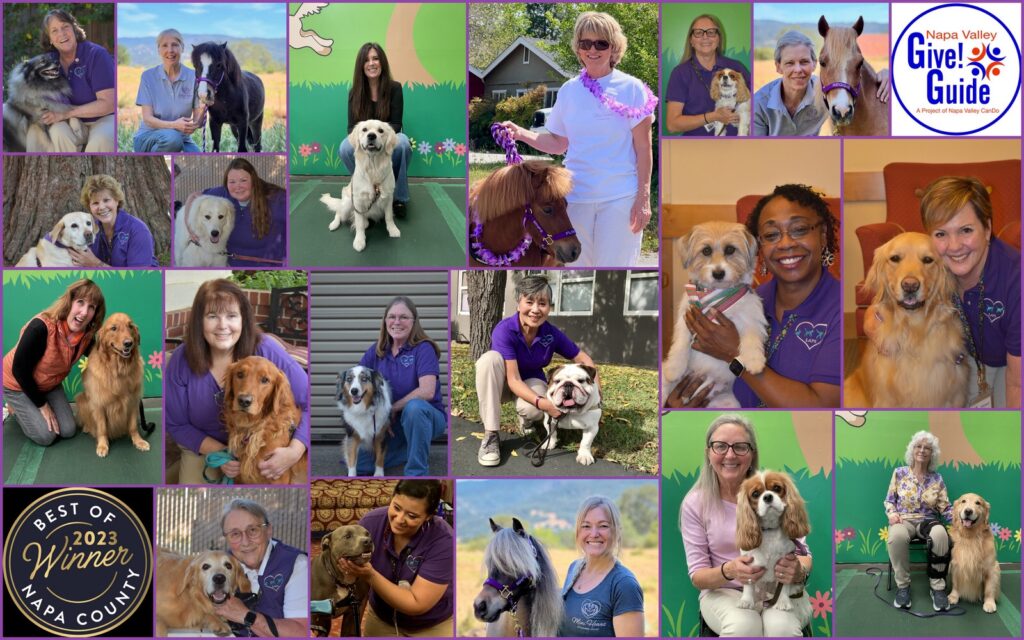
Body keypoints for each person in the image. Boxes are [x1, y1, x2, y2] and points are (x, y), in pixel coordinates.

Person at [500, 12, 655, 267]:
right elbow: (559, 143)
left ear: (613, 47)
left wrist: (643, 199)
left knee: (613, 271)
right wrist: (520, 133)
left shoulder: (632, 88)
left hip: (620, 199)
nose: (592, 50)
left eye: (601, 43)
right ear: (578, 48)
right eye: (585, 43)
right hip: (576, 199)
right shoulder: (570, 90)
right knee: (578, 271)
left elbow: (643, 148)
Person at [678, 185, 841, 408]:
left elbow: (823, 407)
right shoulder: (742, 299)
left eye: (800, 229)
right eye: (772, 235)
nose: (786, 243)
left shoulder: (837, 310)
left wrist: (735, 354)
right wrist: (676, 404)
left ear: (822, 236)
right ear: (759, 248)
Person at [866, 176, 1021, 407]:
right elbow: (880, 306)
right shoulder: (933, 267)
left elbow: (1018, 383)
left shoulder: (1015, 280)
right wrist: (872, 323)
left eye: (966, 230)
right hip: (964, 358)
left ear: (987, 229)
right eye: (941, 234)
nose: (955, 246)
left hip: (1009, 364)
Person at [165, 279, 309, 484]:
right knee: (189, 489)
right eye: (212, 316)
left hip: (263, 441)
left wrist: (294, 451)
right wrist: (222, 453)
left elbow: (311, 400)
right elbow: (176, 424)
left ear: (243, 319)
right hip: (204, 445)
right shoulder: (181, 360)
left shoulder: (266, 349)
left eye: (231, 316)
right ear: (199, 321)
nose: (223, 326)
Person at [680, 414, 812, 636]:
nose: (730, 454)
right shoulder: (695, 503)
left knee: (781, 628)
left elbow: (804, 554)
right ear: (708, 452)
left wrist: (798, 572)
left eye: (740, 447)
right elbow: (698, 575)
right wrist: (730, 571)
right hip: (724, 592)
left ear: (752, 454)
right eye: (720, 446)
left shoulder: (776, 492)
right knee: (743, 626)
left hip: (780, 590)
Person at [475, 275, 597, 467]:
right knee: (488, 360)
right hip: (504, 383)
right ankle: (491, 435)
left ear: (549, 307)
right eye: (529, 301)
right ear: (518, 303)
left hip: (531, 380)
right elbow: (513, 379)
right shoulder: (504, 330)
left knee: (533, 410)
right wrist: (543, 403)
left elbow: (581, 357)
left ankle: (527, 421)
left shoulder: (551, 333)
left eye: (542, 303)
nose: (535, 309)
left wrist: (596, 386)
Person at [337, 480, 453, 636]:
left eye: (412, 516)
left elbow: (416, 603)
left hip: (431, 625)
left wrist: (370, 575)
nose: (399, 519)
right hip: (382, 618)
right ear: (391, 498)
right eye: (396, 508)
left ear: (428, 516)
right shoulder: (370, 524)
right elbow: (358, 588)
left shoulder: (444, 541)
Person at [2, 279, 105, 446]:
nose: (84, 312)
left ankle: (35, 404)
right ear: (69, 302)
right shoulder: (40, 328)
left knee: (68, 430)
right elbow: (20, 370)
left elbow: (102, 356)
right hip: (17, 383)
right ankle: (14, 409)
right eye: (80, 302)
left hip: (48, 384)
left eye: (91, 307)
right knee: (46, 436)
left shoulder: (86, 336)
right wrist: (43, 407)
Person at [355, 297, 446, 476]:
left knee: (415, 408)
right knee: (360, 466)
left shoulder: (423, 348)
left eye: (403, 317)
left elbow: (427, 391)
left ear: (414, 322)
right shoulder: (377, 350)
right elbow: (358, 384)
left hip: (427, 416)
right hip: (392, 421)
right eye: (392, 317)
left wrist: (392, 408)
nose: (397, 322)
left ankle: (416, 472)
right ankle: (409, 450)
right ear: (385, 321)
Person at [752, 30, 889, 136]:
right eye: (789, 63)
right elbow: (757, 152)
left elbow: (848, 77)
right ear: (778, 67)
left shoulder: (826, 92)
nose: (798, 69)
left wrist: (886, 74)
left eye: (804, 62)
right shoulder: (758, 104)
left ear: (814, 65)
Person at [214, 499, 309, 637]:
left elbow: (301, 633)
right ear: (226, 538)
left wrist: (245, 615)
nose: (245, 542)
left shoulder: (296, 564)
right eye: (235, 534)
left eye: (252, 530)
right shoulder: (218, 568)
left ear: (268, 530)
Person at [341, 43, 412, 217]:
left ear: (382, 62)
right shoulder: (354, 93)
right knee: (345, 148)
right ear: (361, 66)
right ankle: (366, 190)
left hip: (386, 138)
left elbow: (396, 124)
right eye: (366, 60)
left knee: (403, 143)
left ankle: (398, 198)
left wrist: (381, 137)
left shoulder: (395, 88)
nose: (371, 63)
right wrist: (364, 138)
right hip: (364, 141)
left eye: (375, 58)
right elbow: (351, 128)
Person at [884, 431, 952, 611]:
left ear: (932, 454)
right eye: (918, 446)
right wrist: (891, 513)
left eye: (927, 448)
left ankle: (937, 587)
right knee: (896, 536)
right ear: (912, 450)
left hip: (928, 520)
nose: (922, 450)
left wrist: (962, 520)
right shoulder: (899, 473)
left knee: (940, 534)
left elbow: (945, 507)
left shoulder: (937, 478)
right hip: (903, 519)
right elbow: (890, 500)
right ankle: (903, 587)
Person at [29, 9, 115, 152]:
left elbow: (110, 103)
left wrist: (65, 113)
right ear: (49, 38)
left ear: (74, 29)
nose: (61, 34)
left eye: (65, 27)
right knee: (56, 132)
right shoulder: (48, 62)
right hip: (69, 121)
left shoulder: (96, 55)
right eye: (54, 31)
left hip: (102, 119)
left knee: (102, 140)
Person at [560, 496, 644, 637]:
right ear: (578, 531)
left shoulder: (624, 585)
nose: (594, 534)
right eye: (586, 526)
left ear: (616, 531)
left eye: (603, 526)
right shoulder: (574, 569)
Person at [188, 158, 287, 267]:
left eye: (243, 180)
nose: (238, 186)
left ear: (254, 180)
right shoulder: (221, 194)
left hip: (268, 268)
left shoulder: (277, 199)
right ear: (227, 183)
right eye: (232, 182)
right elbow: (193, 197)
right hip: (231, 266)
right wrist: (189, 227)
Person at [665, 14, 750, 136]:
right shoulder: (680, 73)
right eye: (698, 33)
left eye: (711, 32)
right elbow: (672, 125)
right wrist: (714, 116)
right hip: (696, 148)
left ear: (718, 38)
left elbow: (756, 103)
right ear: (691, 40)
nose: (705, 37)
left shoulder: (736, 68)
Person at [132, 28, 202, 152]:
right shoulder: (148, 77)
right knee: (172, 139)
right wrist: (174, 125)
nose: (170, 50)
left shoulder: (194, 77)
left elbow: (198, 117)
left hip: (182, 138)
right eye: (164, 45)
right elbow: (148, 119)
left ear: (182, 48)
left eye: (175, 45)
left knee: (197, 154)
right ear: (159, 50)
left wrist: (196, 124)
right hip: (148, 136)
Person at [67, 174, 159, 267]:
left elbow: (138, 279)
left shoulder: (138, 230)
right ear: (89, 207)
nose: (102, 207)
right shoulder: (89, 229)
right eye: (95, 203)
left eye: (106, 200)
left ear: (117, 200)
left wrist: (96, 264)